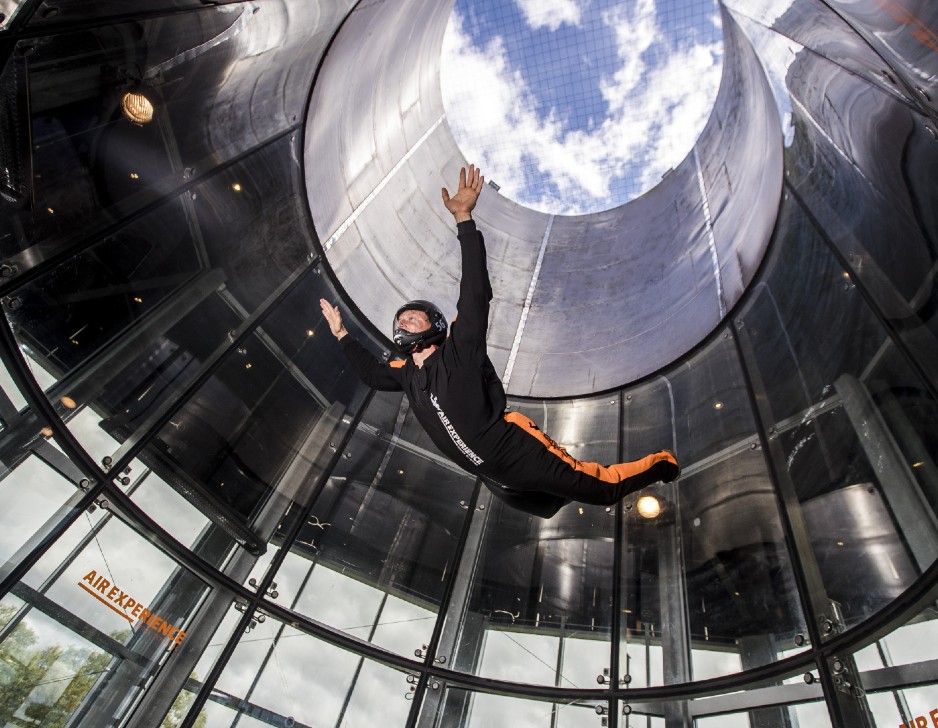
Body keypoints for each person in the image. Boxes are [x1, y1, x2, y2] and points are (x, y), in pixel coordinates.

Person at [319, 165, 680, 519]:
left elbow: (475, 291)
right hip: (493, 476)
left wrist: (463, 220)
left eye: (415, 316)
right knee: (546, 508)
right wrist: (341, 334)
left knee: (602, 491)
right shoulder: (405, 375)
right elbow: (370, 373)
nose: (404, 319)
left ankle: (662, 463)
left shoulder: (459, 350)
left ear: (435, 327)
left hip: (515, 451)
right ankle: (555, 493)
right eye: (401, 318)